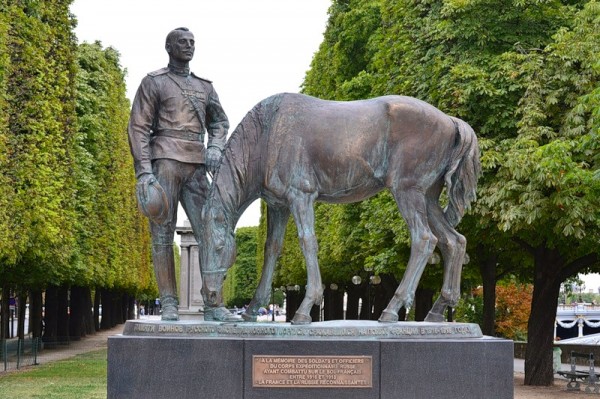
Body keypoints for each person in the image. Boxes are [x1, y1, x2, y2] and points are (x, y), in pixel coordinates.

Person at [129, 27, 233, 321]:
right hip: (164, 159)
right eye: (182, 42)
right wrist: (144, 171)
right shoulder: (154, 82)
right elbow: (138, 127)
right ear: (169, 47)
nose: (188, 46)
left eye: (192, 43)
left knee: (211, 232)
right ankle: (170, 302)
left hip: (197, 163)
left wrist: (215, 146)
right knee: (162, 234)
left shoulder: (205, 87)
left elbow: (219, 123)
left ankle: (213, 303)